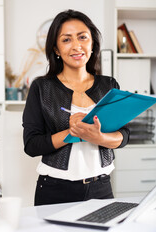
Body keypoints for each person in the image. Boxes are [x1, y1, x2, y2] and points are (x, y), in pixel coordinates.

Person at [22, 9, 130, 206]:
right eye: (66, 40)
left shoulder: (109, 85)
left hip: (102, 188)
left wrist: (100, 138)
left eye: (82, 37)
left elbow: (124, 135)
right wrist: (71, 132)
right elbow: (31, 145)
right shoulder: (41, 87)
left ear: (92, 43)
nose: (76, 46)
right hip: (54, 190)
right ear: (56, 49)